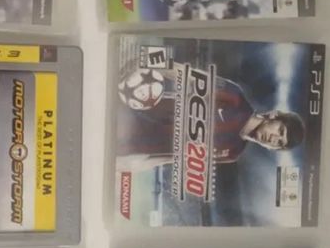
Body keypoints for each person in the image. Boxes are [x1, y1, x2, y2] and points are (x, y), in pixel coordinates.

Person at [116, 66, 305, 172]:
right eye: (280, 131)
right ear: (273, 116)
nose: (274, 138)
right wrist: (149, 67)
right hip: (131, 113)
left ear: (273, 148)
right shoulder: (235, 97)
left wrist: (139, 164)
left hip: (132, 147)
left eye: (279, 143)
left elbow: (176, 158)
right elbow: (187, 74)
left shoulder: (233, 154)